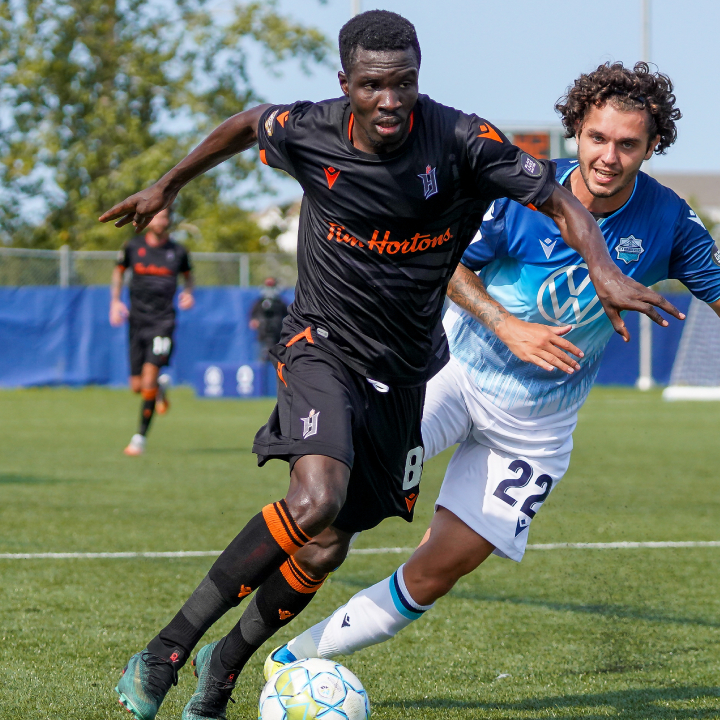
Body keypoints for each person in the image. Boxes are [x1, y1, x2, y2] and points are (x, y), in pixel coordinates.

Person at [98, 13, 683, 720]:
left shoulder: (463, 141)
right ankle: (167, 650)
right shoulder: (310, 130)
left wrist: (604, 270)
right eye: (372, 85)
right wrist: (168, 184)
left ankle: (221, 676)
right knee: (316, 501)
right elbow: (248, 123)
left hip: (406, 371)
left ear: (417, 79)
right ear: (346, 84)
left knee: (326, 548)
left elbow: (558, 198)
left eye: (403, 84)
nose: (389, 100)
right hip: (322, 344)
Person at [267, 62, 720, 672]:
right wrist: (509, 326)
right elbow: (447, 264)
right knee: (332, 511)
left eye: (627, 144)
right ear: (576, 133)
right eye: (597, 138)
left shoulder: (669, 219)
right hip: (448, 378)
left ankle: (293, 662)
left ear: (651, 146)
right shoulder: (523, 189)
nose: (609, 156)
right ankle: (233, 646)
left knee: (436, 571)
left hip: (535, 428)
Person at [110, 208, 195, 457]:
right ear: (148, 221)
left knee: (147, 378)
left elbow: (189, 277)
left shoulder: (178, 252)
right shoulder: (132, 247)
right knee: (137, 386)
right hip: (136, 321)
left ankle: (139, 439)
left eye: (166, 216)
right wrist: (115, 302)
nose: (162, 220)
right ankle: (159, 388)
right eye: (157, 216)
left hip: (163, 322)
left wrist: (188, 292)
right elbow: (118, 272)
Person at [248, 277, 289, 361]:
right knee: (262, 359)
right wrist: (255, 321)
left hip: (277, 335)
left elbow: (288, 316)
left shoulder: (280, 303)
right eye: (267, 285)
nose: (269, 289)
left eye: (271, 285)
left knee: (278, 360)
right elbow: (252, 317)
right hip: (262, 335)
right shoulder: (259, 303)